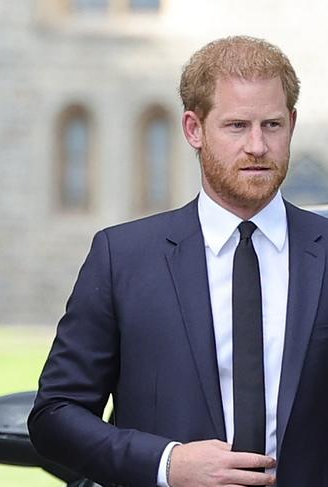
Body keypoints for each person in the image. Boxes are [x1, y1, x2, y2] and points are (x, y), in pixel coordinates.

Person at [29, 36, 328, 486]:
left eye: (271, 125)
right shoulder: (123, 258)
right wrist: (167, 464)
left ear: (292, 123)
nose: (257, 146)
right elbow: (56, 415)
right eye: (236, 126)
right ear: (193, 128)